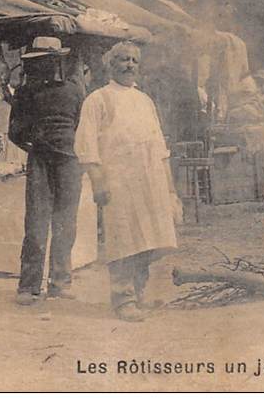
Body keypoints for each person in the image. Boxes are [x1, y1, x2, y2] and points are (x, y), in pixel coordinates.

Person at [75, 41, 180, 321]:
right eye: (123, 59)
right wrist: (98, 181)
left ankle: (140, 290)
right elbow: (86, 146)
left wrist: (170, 190)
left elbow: (160, 148)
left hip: (150, 180)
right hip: (118, 181)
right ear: (110, 64)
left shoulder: (144, 101)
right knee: (124, 238)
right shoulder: (98, 99)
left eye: (134, 60)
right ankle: (123, 298)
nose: (129, 65)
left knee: (148, 238)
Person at [9, 37, 86, 305]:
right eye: (39, 61)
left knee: (66, 224)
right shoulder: (25, 93)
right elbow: (14, 132)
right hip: (40, 161)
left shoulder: (75, 91)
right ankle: (28, 286)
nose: (45, 65)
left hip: (69, 162)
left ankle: (60, 282)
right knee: (36, 225)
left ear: (58, 60)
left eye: (50, 60)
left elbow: (81, 127)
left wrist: (71, 150)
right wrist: (35, 145)